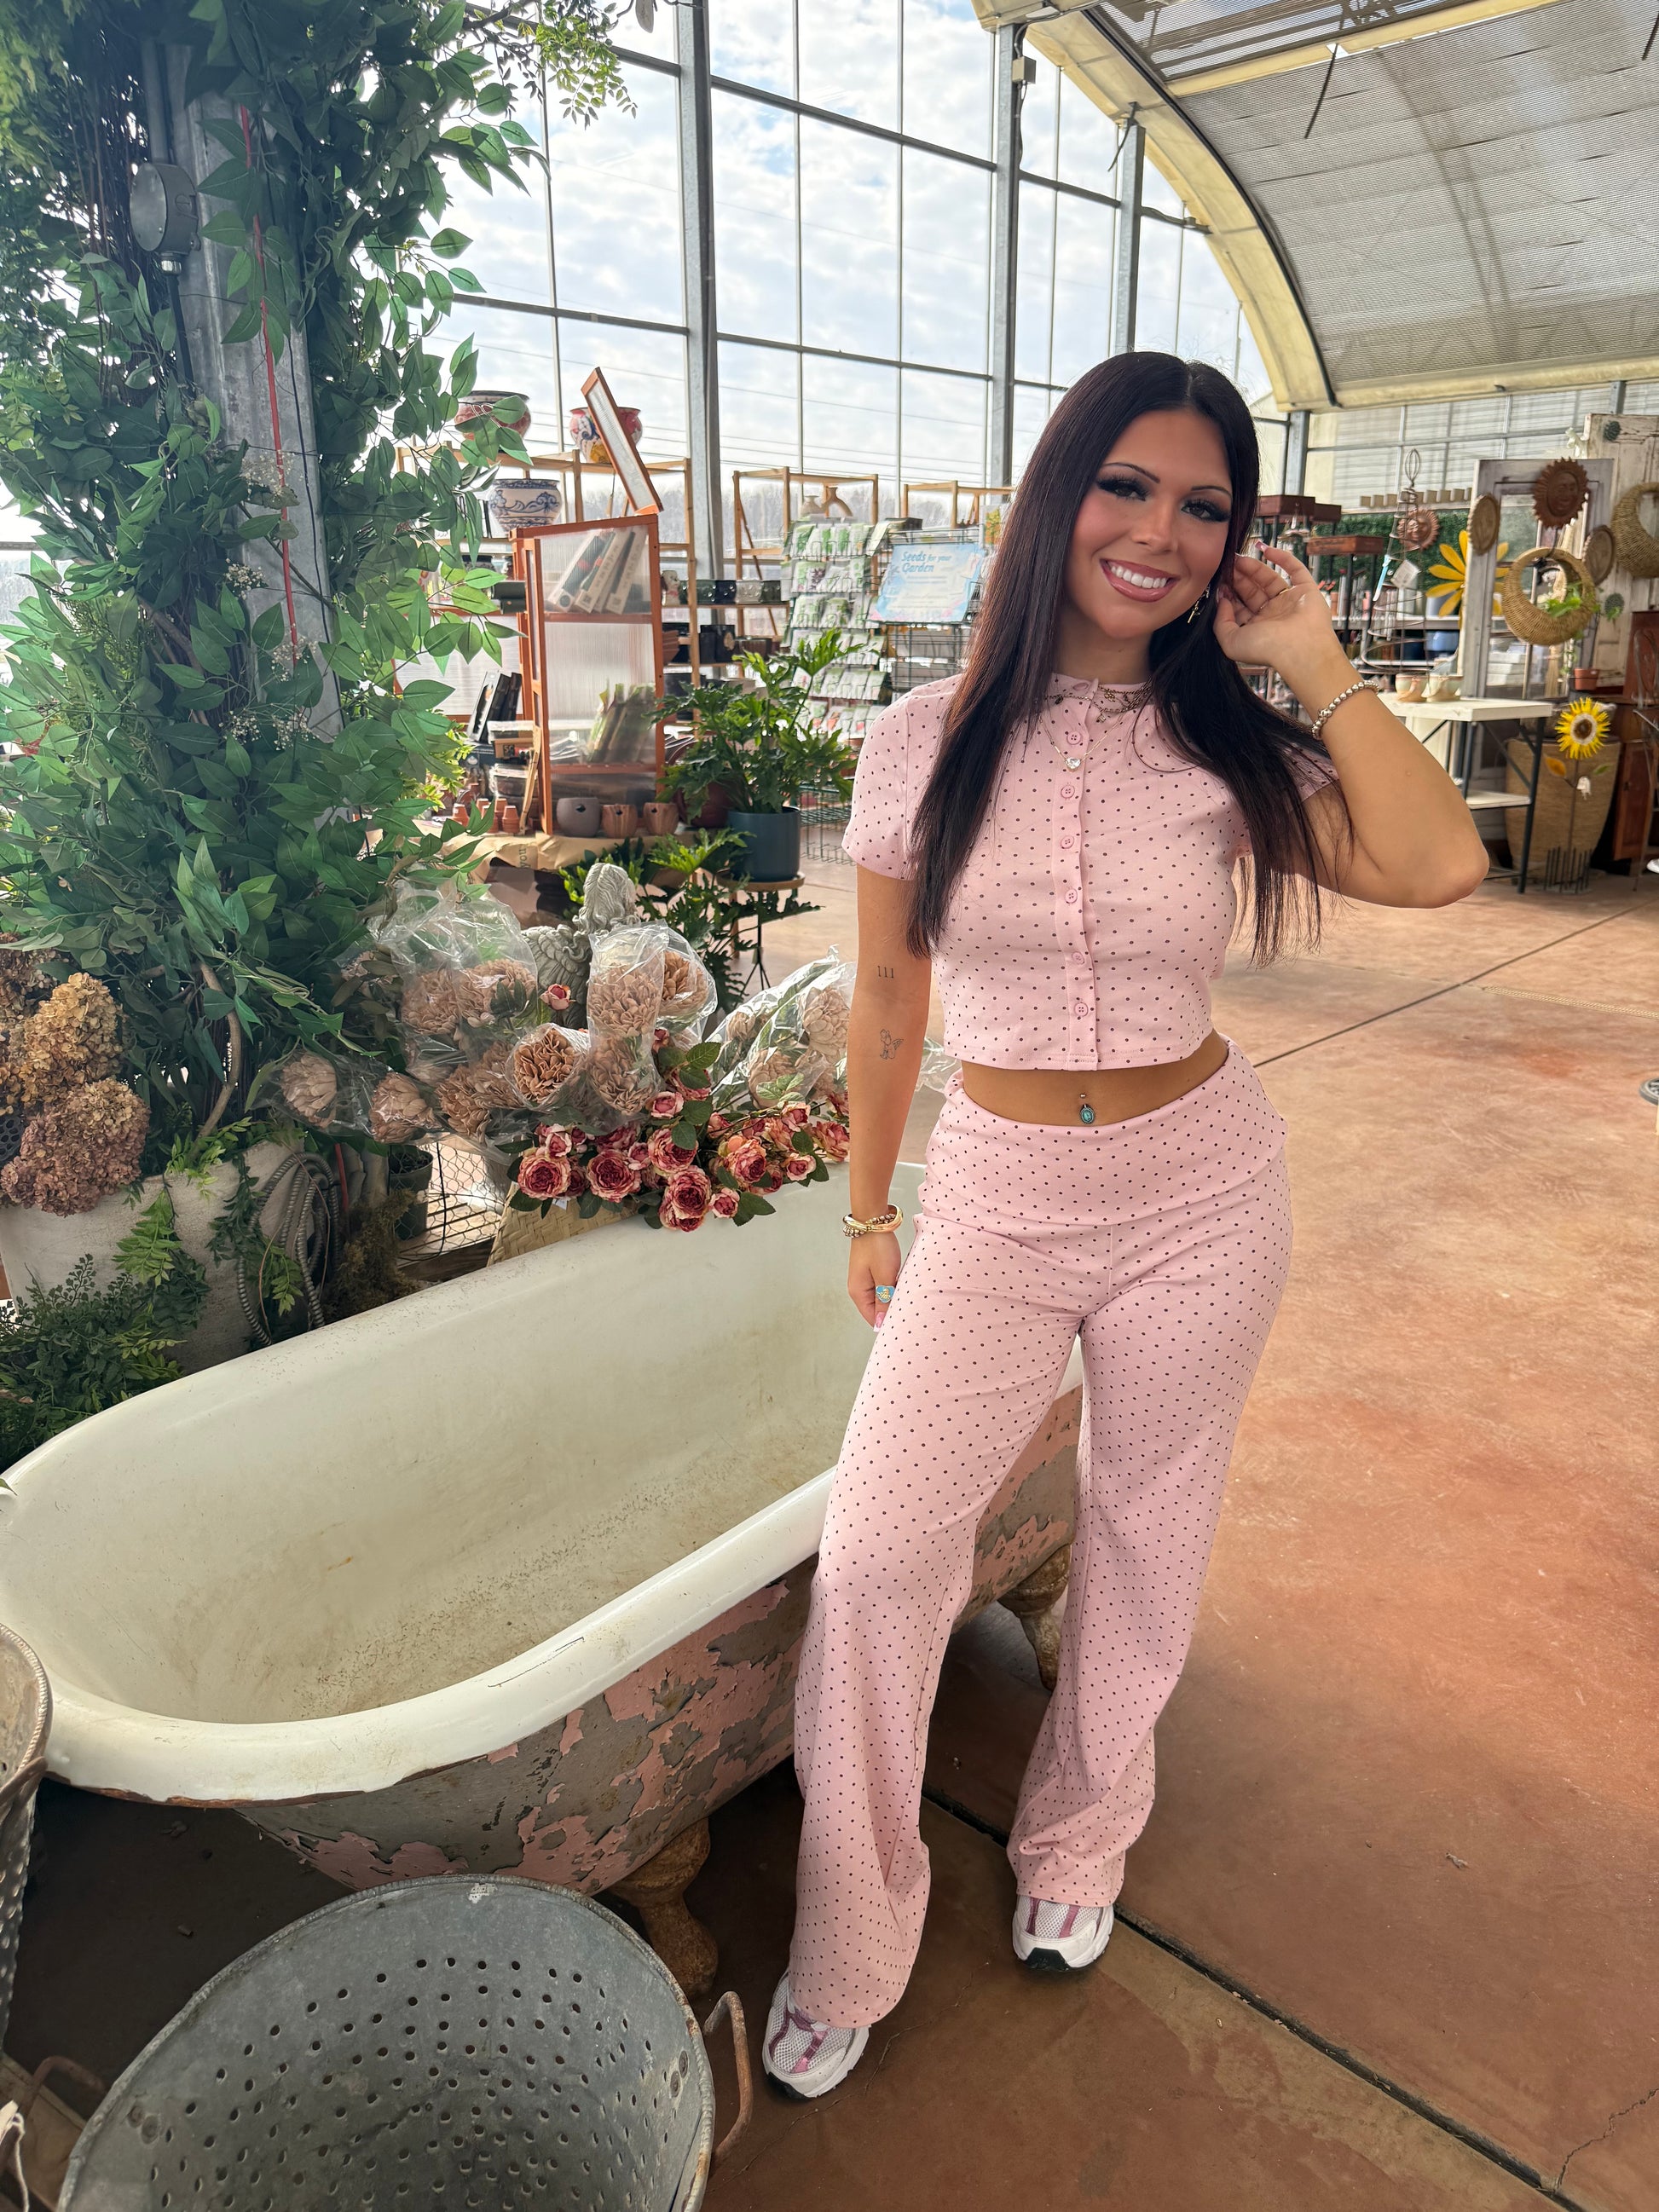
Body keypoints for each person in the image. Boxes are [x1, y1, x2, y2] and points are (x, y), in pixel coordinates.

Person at [761, 353, 1489, 2099]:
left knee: (1146, 1529)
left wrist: (1308, 659)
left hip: (1201, 1196)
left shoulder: (1224, 744)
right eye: (1126, 485)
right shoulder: (920, 742)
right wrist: (866, 1203)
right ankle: (850, 1932)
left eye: (1203, 505)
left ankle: (1078, 1841)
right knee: (877, 1560)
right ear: (1055, 493)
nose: (1159, 532)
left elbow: (1438, 863)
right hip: (997, 1205)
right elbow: (887, 995)